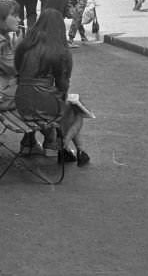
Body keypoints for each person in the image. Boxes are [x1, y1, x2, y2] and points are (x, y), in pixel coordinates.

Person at [13, 9, 90, 164]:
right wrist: (63, 96)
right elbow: (63, 84)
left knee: (43, 100)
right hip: (44, 104)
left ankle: (30, 142)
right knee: (76, 110)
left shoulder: (25, 45)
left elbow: (18, 71)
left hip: (21, 100)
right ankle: (63, 145)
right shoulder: (60, 51)